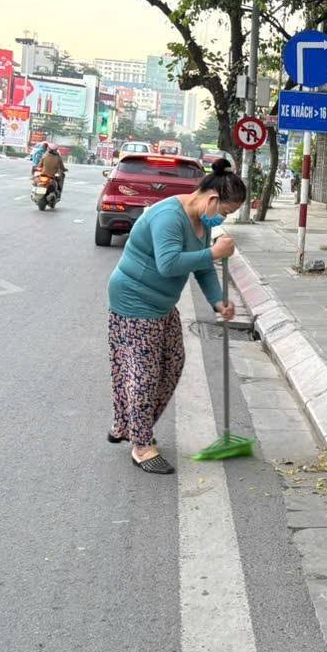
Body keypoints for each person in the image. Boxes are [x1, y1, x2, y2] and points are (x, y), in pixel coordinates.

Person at [106, 159, 247, 474]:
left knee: (172, 363)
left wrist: (218, 301)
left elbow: (201, 268)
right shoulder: (170, 216)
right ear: (212, 200)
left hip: (161, 304)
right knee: (144, 373)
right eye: (225, 212)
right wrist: (214, 252)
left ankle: (128, 424)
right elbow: (168, 264)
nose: (223, 219)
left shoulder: (199, 221)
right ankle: (141, 444)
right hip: (135, 299)